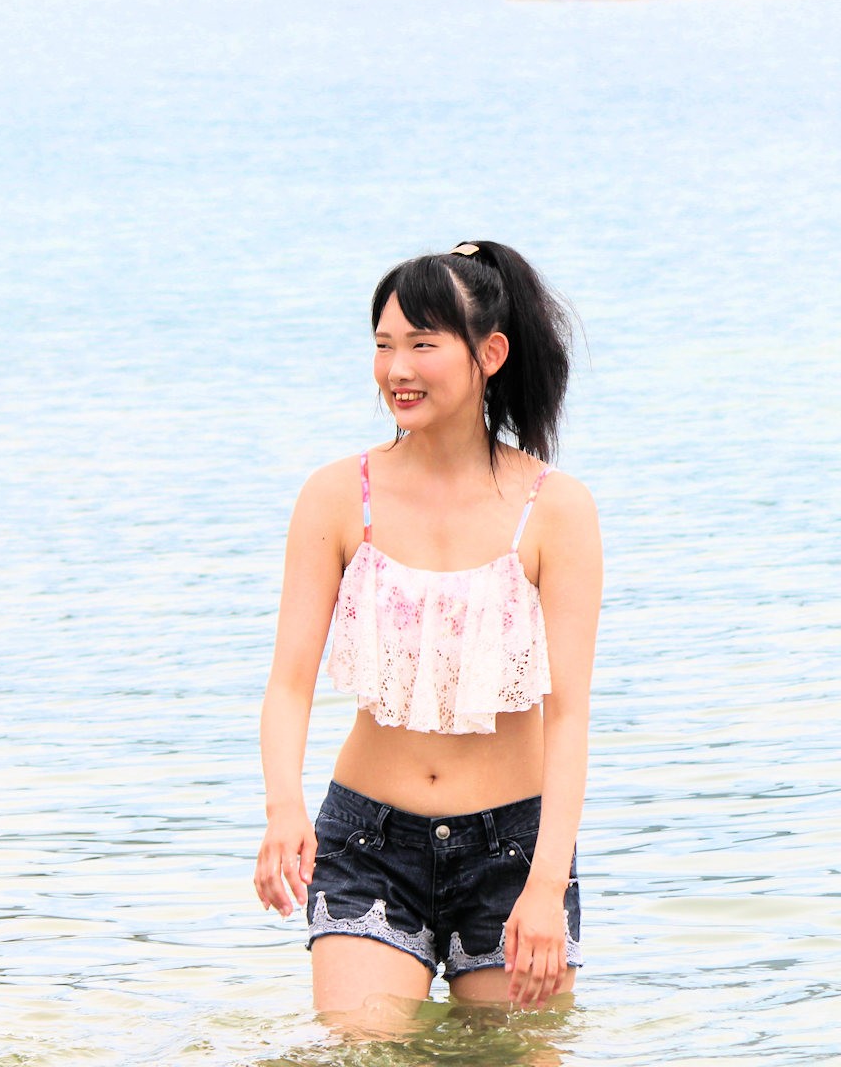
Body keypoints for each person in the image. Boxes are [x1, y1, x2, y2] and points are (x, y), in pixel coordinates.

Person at [254, 241, 601, 1025]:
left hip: (515, 849)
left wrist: (547, 885)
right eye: (383, 346)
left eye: (421, 344)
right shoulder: (339, 496)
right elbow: (288, 683)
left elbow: (571, 715)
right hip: (368, 842)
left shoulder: (556, 508)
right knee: (367, 1053)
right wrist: (284, 807)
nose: (396, 369)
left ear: (490, 353)